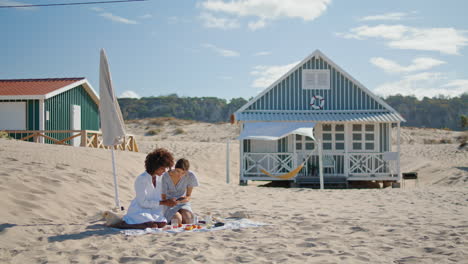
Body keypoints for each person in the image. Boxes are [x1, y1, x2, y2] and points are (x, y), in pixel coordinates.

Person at [116, 148, 178, 229]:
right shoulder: (141, 179)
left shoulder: (161, 178)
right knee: (152, 226)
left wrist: (170, 200)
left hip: (154, 209)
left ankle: (145, 223)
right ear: (155, 166)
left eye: (165, 168)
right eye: (162, 168)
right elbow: (143, 203)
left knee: (162, 223)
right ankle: (124, 225)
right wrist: (164, 202)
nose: (164, 170)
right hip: (140, 209)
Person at [161, 158, 199, 225]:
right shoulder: (166, 176)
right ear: (175, 168)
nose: (180, 175)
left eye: (183, 173)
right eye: (178, 171)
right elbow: (163, 197)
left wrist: (185, 199)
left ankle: (183, 214)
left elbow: (188, 195)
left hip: (182, 203)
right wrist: (170, 202)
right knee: (177, 220)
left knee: (189, 220)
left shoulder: (190, 176)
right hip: (169, 203)